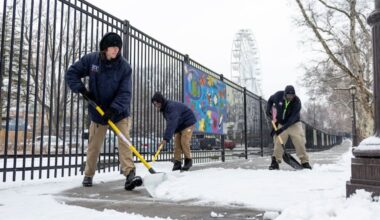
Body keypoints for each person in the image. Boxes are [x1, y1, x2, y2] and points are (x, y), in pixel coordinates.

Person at [65, 32, 142, 190]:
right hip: (98, 111)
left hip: (119, 113)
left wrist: (113, 110)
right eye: (112, 47)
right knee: (94, 144)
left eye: (118, 47)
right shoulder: (92, 60)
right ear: (104, 48)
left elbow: (125, 93)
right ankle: (88, 174)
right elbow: (72, 73)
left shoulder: (124, 67)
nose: (116, 50)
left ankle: (130, 175)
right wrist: (82, 90)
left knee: (124, 141)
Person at [266, 85, 312, 170]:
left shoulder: (297, 102)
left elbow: (292, 118)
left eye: (292, 95)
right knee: (278, 141)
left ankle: (305, 162)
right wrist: (268, 109)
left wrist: (282, 129)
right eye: (289, 95)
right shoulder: (278, 96)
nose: (291, 97)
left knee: (299, 141)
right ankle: (275, 162)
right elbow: (270, 100)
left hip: (294, 123)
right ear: (285, 94)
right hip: (281, 123)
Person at [151, 92, 197, 171]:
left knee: (184, 141)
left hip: (188, 122)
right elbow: (171, 122)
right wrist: (170, 135)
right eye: (154, 104)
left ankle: (188, 161)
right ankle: (177, 163)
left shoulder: (170, 107)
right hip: (179, 125)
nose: (156, 106)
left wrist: (166, 138)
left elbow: (172, 122)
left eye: (156, 103)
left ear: (160, 101)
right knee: (176, 143)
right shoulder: (164, 110)